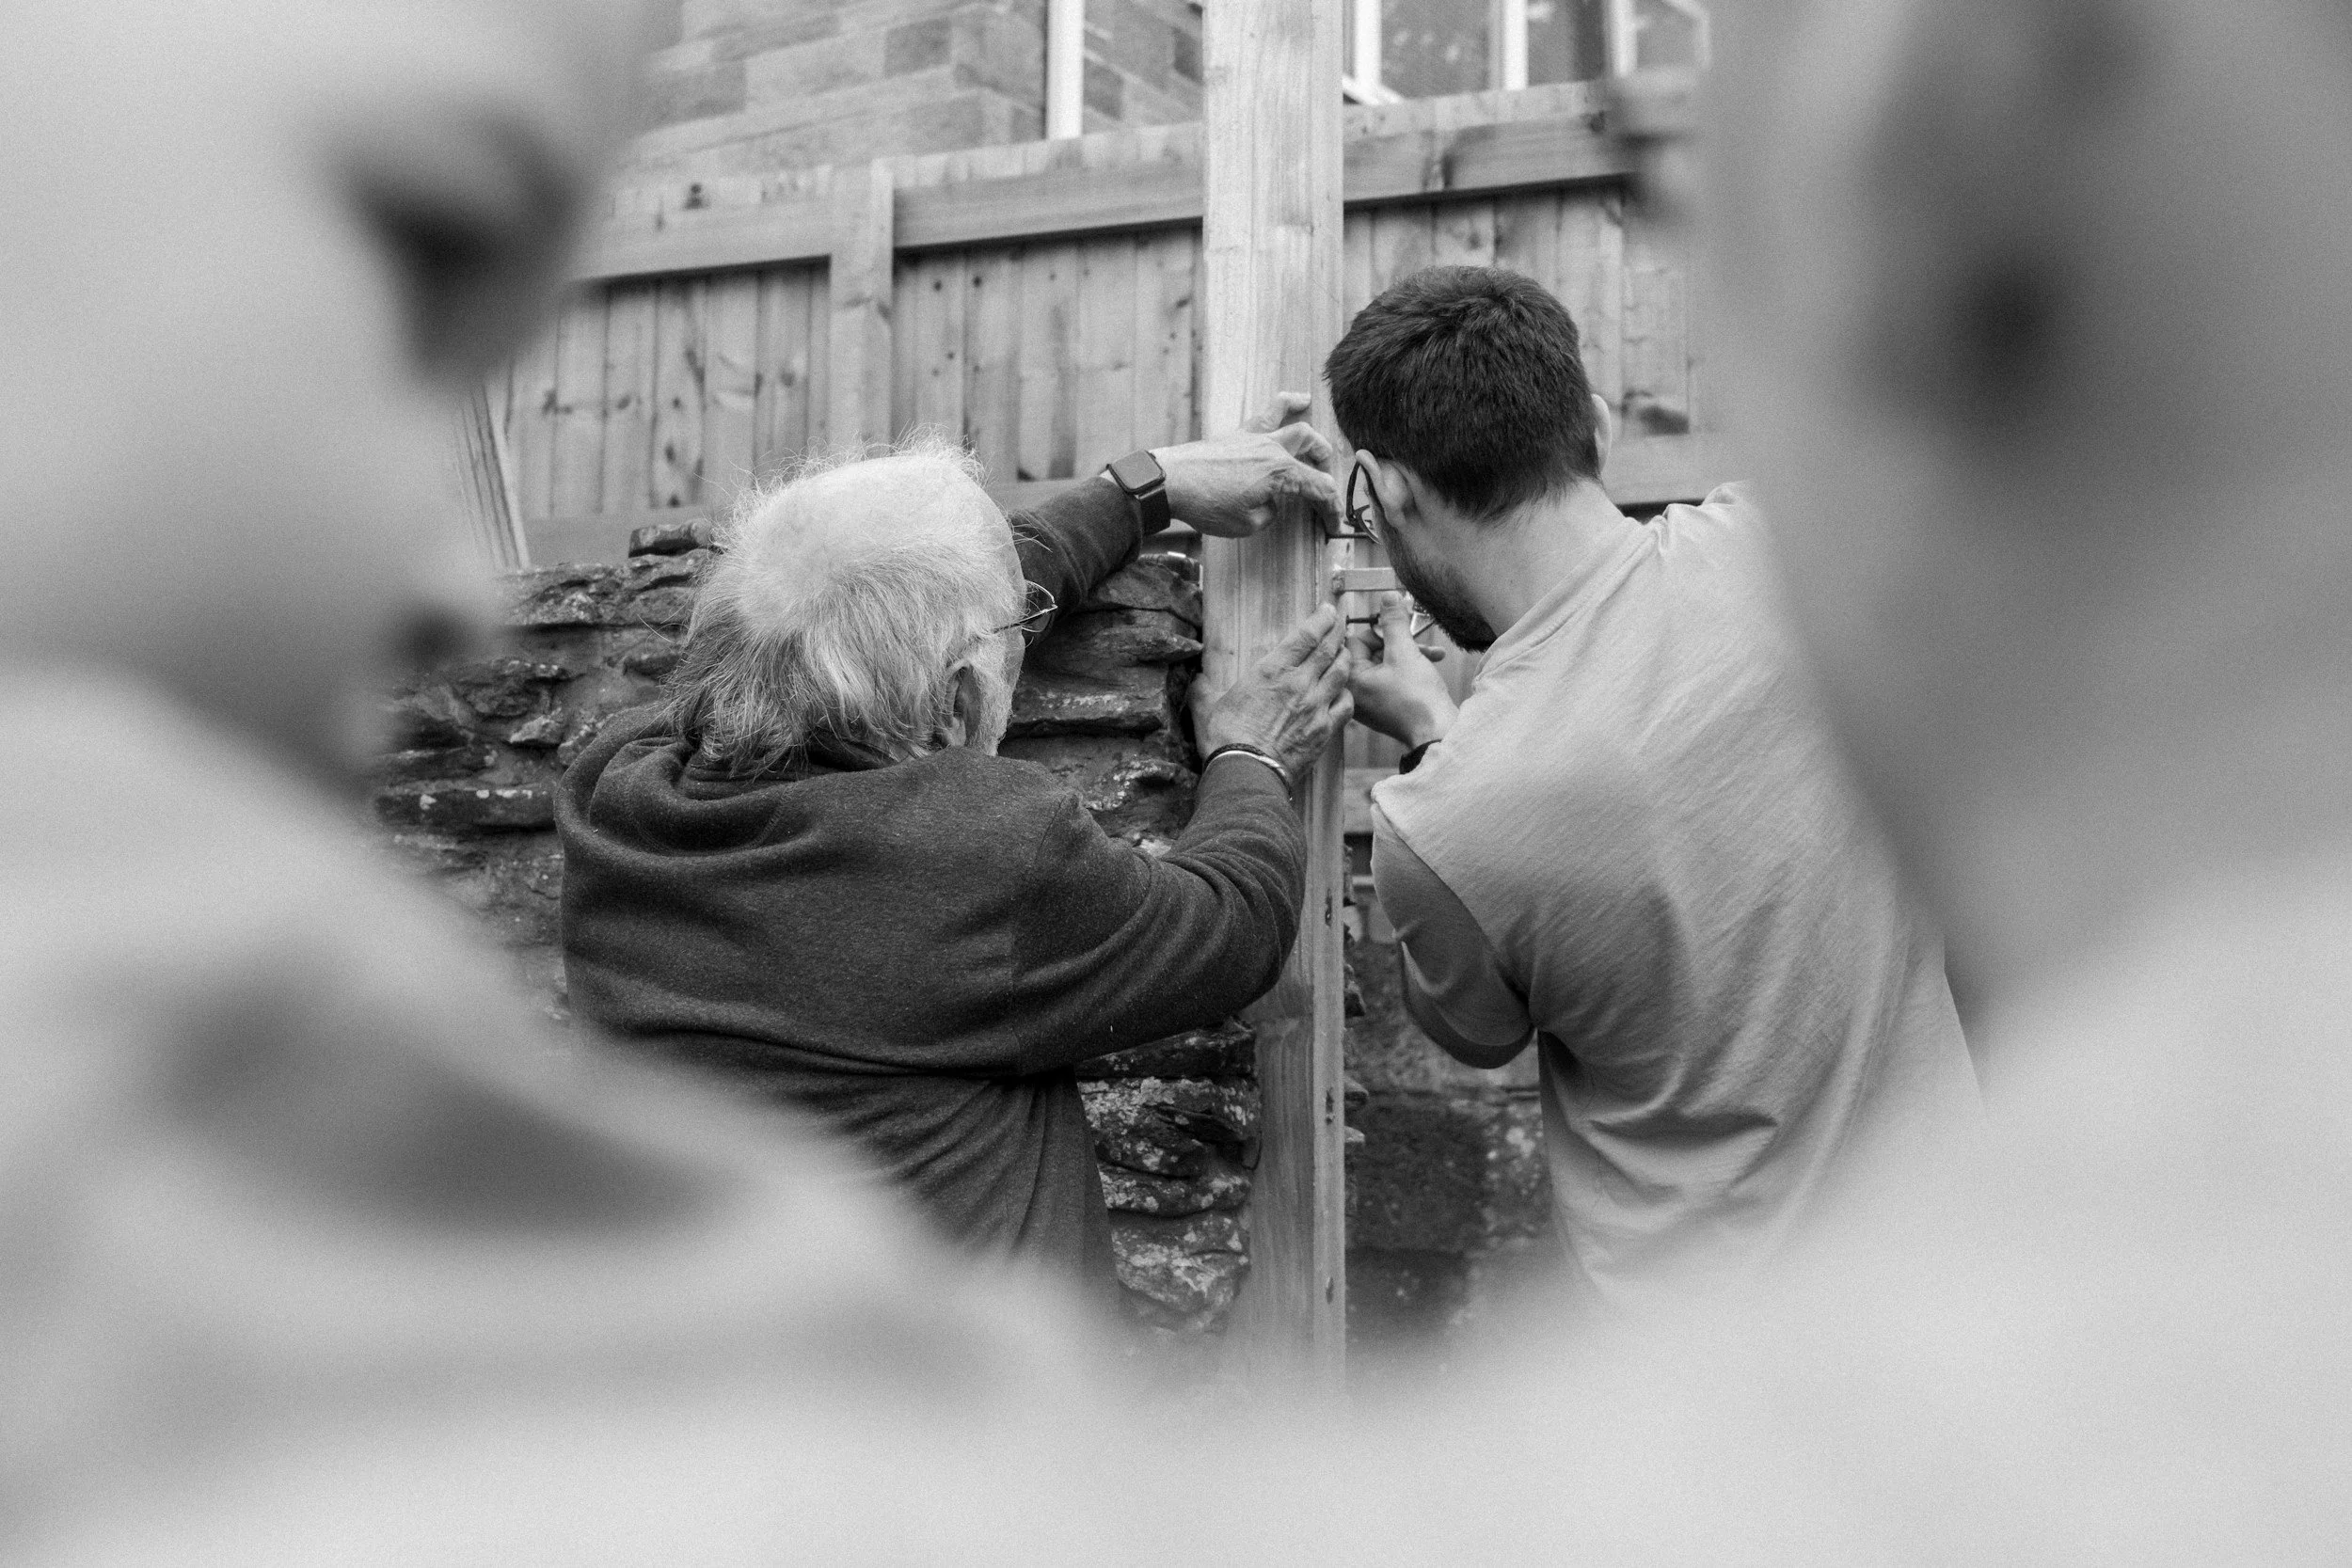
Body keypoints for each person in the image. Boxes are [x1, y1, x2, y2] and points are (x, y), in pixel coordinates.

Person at [557, 421, 1355, 1288]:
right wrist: (1252, 753)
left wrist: (1141, 489)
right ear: (955, 703)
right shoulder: (974, 856)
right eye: (1016, 632)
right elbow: (1230, 921)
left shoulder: (618, 787)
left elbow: (850, 606)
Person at [1330, 264, 1981, 1313]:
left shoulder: (1444, 826)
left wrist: (1430, 743)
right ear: (1591, 422)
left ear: (1386, 487)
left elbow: (1475, 1026)